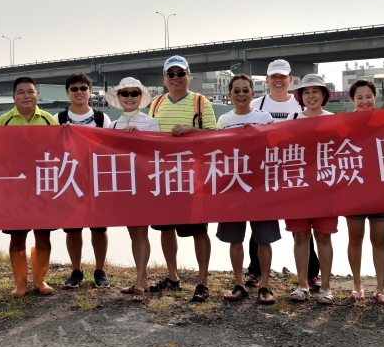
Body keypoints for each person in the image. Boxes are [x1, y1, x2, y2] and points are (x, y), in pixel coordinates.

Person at [147, 55, 217, 303]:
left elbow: (215, 137)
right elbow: (147, 135)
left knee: (198, 229)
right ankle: (172, 276)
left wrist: (191, 131)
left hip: (192, 177)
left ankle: (202, 282)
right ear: (164, 78)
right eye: (171, 74)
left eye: (180, 73)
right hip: (162, 176)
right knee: (165, 228)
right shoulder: (156, 103)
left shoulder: (200, 102)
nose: (175, 78)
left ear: (189, 76)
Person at [250, 59, 321, 292]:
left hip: (296, 170)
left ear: (291, 79)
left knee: (303, 225)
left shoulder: (301, 103)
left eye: (283, 76)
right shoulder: (256, 104)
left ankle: (311, 274)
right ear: (267, 80)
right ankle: (255, 271)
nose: (278, 81)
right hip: (266, 172)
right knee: (259, 224)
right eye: (274, 77)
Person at [0, 76, 59, 297]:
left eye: (30, 91)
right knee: (17, 236)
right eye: (21, 92)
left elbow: (60, 151)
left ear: (37, 95)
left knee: (43, 234)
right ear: (14, 97)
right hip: (15, 190)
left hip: (43, 186)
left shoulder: (49, 120)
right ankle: (20, 283)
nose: (26, 96)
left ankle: (40, 280)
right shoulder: (4, 121)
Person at [213, 74, 279, 305]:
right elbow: (216, 151)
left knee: (264, 238)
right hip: (234, 185)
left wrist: (257, 134)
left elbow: (275, 146)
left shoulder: (264, 117)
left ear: (253, 93)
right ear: (230, 94)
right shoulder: (224, 120)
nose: (241, 94)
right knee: (235, 238)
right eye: (236, 90)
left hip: (260, 184)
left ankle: (265, 285)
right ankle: (239, 283)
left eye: (245, 90)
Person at [285, 74, 338, 304]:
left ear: (324, 95)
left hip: (325, 188)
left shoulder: (334, 120)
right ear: (301, 97)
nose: (311, 96)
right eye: (306, 92)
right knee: (300, 237)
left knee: (324, 237)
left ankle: (326, 288)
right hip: (298, 187)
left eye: (316, 91)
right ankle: (302, 285)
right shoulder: (292, 118)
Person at [105, 77, 159, 302]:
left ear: (141, 97)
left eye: (134, 93)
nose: (129, 97)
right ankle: (142, 278)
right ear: (118, 97)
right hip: (123, 185)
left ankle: (139, 282)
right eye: (124, 93)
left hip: (144, 183)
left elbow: (156, 153)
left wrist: (140, 137)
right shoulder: (112, 126)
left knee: (141, 232)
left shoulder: (150, 122)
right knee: (132, 233)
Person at [57, 72, 112, 289]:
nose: (79, 92)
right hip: (70, 179)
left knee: (99, 227)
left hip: (97, 179)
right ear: (67, 93)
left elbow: (110, 148)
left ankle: (100, 270)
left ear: (90, 92)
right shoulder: (58, 118)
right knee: (72, 227)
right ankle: (76, 270)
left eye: (83, 88)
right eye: (74, 89)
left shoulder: (101, 119)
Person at [345, 80, 384, 305]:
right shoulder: (344, 123)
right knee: (355, 239)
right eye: (359, 97)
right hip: (353, 189)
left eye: (368, 97)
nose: (364, 101)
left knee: (379, 241)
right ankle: (357, 284)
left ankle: (381, 288)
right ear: (352, 100)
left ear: (375, 98)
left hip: (381, 191)